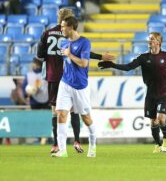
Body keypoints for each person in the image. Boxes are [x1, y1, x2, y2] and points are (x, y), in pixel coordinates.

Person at [37, 8, 113, 154]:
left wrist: (62, 55)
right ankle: (70, 145)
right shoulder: (65, 38)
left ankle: (58, 144)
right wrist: (99, 56)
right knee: (68, 113)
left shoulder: (48, 33)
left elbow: (40, 54)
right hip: (64, 78)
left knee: (65, 113)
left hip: (57, 77)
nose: (63, 28)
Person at [98, 32, 166, 153]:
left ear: (159, 42)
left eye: (152, 39)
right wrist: (113, 65)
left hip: (164, 92)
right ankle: (158, 144)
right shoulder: (143, 57)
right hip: (150, 94)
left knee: (161, 119)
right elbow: (128, 67)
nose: (149, 41)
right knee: (153, 122)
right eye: (149, 39)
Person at [52, 16, 96, 158]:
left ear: (71, 27)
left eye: (63, 26)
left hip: (80, 86)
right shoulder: (64, 42)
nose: (61, 29)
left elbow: (84, 63)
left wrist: (70, 55)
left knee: (86, 118)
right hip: (65, 83)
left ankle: (93, 145)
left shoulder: (84, 42)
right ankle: (62, 150)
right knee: (61, 114)